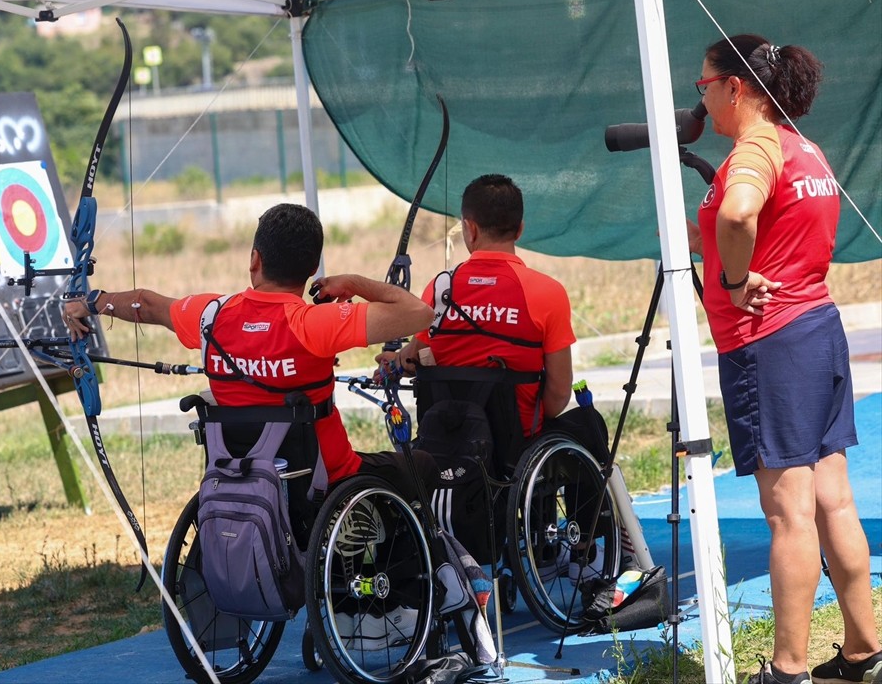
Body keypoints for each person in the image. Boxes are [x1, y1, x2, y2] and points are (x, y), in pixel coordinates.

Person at [689, 34, 881, 684]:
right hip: (817, 332)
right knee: (833, 503)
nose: (704, 98)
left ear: (734, 88)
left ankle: (788, 670)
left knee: (788, 512)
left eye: (703, 86)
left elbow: (741, 217)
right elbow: (762, 225)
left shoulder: (758, 147)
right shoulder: (804, 147)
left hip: (772, 343)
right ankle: (863, 653)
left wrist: (736, 279)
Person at [62, 202, 440, 503]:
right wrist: (354, 281)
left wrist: (93, 302)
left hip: (239, 478)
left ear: (255, 260)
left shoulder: (211, 316)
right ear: (311, 269)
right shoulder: (315, 324)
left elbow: (146, 303)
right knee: (422, 464)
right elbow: (419, 313)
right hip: (327, 481)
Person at [379, 174, 585, 450]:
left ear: (470, 228)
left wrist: (395, 362)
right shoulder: (548, 292)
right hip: (518, 443)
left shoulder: (439, 289)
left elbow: (418, 354)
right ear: (520, 229)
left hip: (446, 440)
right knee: (587, 425)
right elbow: (559, 392)